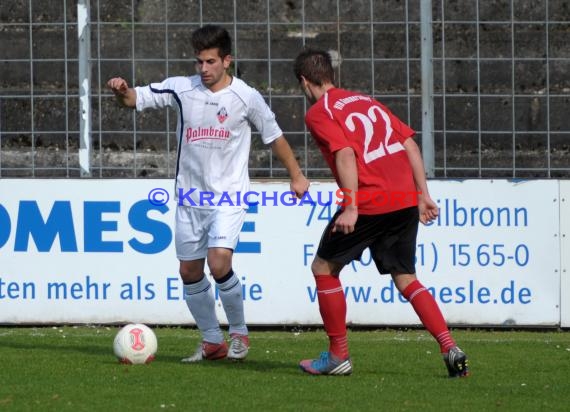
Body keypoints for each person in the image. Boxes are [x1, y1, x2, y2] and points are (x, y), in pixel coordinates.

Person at [107, 25, 309, 363]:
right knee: (189, 272)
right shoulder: (182, 89)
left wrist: (297, 175)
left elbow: (274, 136)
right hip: (189, 200)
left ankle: (240, 332)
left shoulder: (246, 96)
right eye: (199, 62)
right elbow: (134, 100)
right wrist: (121, 90)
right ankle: (212, 341)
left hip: (228, 198)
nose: (204, 69)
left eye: (211, 62)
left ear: (227, 60)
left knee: (219, 261)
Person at [293, 49, 469, 377]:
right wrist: (423, 195)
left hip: (371, 202)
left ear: (304, 81)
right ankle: (449, 347)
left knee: (324, 268)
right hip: (404, 200)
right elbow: (410, 145)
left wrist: (351, 205)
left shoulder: (320, 111)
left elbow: (345, 154)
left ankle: (338, 356)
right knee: (406, 278)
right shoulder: (367, 101)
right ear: (331, 74)